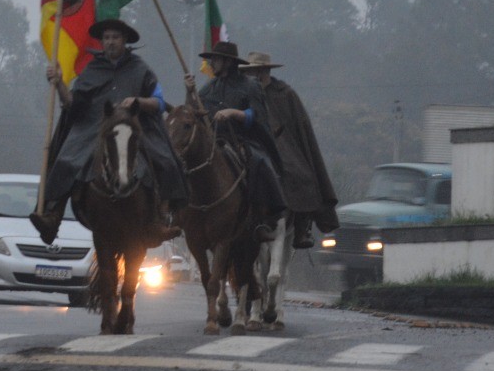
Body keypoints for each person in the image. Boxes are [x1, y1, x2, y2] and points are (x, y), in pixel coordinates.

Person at [31, 18, 187, 245]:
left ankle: (160, 219)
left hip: (133, 127)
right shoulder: (92, 69)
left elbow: (159, 102)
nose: (110, 42)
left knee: (165, 160)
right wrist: (59, 84)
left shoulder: (140, 69)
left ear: (124, 41)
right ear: (102, 42)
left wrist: (138, 101)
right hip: (94, 127)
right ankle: (52, 215)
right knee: (65, 160)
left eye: (115, 37)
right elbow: (73, 104)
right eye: (106, 38)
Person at [184, 40, 287, 238]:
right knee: (185, 160)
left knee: (260, 163)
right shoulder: (206, 90)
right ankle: (177, 212)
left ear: (228, 62)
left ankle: (263, 218)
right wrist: (189, 92)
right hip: (213, 141)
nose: (211, 63)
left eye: (216, 59)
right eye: (211, 59)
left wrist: (234, 113)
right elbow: (193, 113)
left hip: (242, 140)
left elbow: (257, 115)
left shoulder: (250, 86)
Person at [240, 51, 340, 250]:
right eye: (251, 72)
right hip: (251, 141)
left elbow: (301, 128)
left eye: (258, 71)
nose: (255, 75)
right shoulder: (244, 93)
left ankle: (303, 227)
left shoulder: (285, 94)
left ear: (266, 71)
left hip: (284, 144)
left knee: (300, 175)